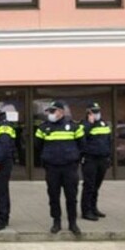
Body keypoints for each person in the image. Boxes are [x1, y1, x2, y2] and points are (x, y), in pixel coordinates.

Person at [35, 101, 84, 235]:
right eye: (49, 111)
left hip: (69, 168)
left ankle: (72, 223)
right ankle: (56, 222)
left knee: (71, 197)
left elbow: (82, 145)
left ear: (61, 112)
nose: (50, 114)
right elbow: (37, 146)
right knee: (53, 196)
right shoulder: (43, 128)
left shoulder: (74, 126)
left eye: (53, 111)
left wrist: (75, 160)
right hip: (52, 168)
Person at [80, 102, 112, 221]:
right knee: (89, 185)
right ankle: (86, 210)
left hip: (102, 159)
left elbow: (109, 141)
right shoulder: (84, 124)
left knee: (96, 186)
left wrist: (109, 157)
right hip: (90, 159)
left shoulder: (104, 124)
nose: (97, 114)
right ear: (88, 113)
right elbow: (82, 139)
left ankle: (93, 208)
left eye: (98, 111)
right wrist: (90, 123)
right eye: (94, 111)